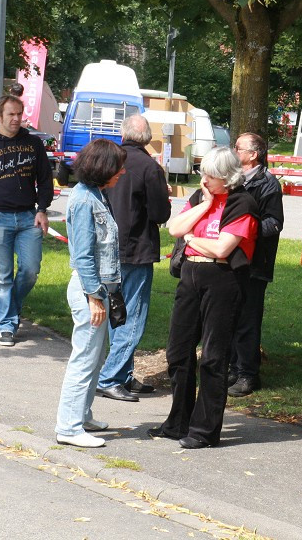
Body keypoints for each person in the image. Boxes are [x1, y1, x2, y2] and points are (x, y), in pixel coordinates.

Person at [149, 147, 258, 449]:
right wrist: (205, 206)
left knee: (212, 357)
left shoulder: (243, 203)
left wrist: (193, 239)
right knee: (178, 351)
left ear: (228, 177)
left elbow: (223, 249)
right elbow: (174, 228)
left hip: (223, 281)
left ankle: (204, 430)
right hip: (191, 276)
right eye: (204, 173)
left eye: (211, 175)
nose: (204, 179)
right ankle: (178, 422)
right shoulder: (201, 197)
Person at [55, 139, 127, 448]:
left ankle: (82, 415)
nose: (122, 172)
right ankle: (68, 428)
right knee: (84, 359)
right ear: (102, 168)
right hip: (90, 292)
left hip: (99, 289)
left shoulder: (96, 194)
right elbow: (83, 256)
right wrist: (95, 297)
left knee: (95, 358)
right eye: (117, 168)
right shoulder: (85, 200)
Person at [96, 115, 171, 402]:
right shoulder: (150, 167)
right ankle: (111, 376)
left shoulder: (110, 160)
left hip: (106, 246)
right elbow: (160, 213)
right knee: (133, 316)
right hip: (136, 249)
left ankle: (123, 374)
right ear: (148, 137)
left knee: (118, 313)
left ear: (123, 134)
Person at [0, 95, 53, 346]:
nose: (17, 118)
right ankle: (7, 325)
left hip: (29, 216)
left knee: (30, 270)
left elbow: (45, 180)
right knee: (2, 274)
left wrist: (42, 209)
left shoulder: (33, 144)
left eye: (19, 113)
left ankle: (11, 308)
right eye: (11, 114)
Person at [228, 132, 284, 397]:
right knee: (230, 315)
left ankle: (248, 375)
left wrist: (243, 231)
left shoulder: (268, 183)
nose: (234, 151)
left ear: (253, 154)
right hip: (231, 259)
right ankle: (232, 368)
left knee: (248, 319)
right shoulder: (233, 178)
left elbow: (274, 223)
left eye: (238, 148)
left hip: (254, 263)